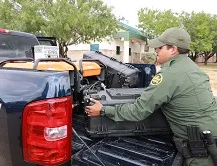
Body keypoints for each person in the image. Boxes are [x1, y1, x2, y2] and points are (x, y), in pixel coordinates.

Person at [85, 27, 217, 166]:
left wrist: (104, 110)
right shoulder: (194, 69)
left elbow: (138, 111)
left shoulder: (169, 76)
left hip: (200, 151)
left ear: (173, 49)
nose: (156, 51)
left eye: (160, 47)